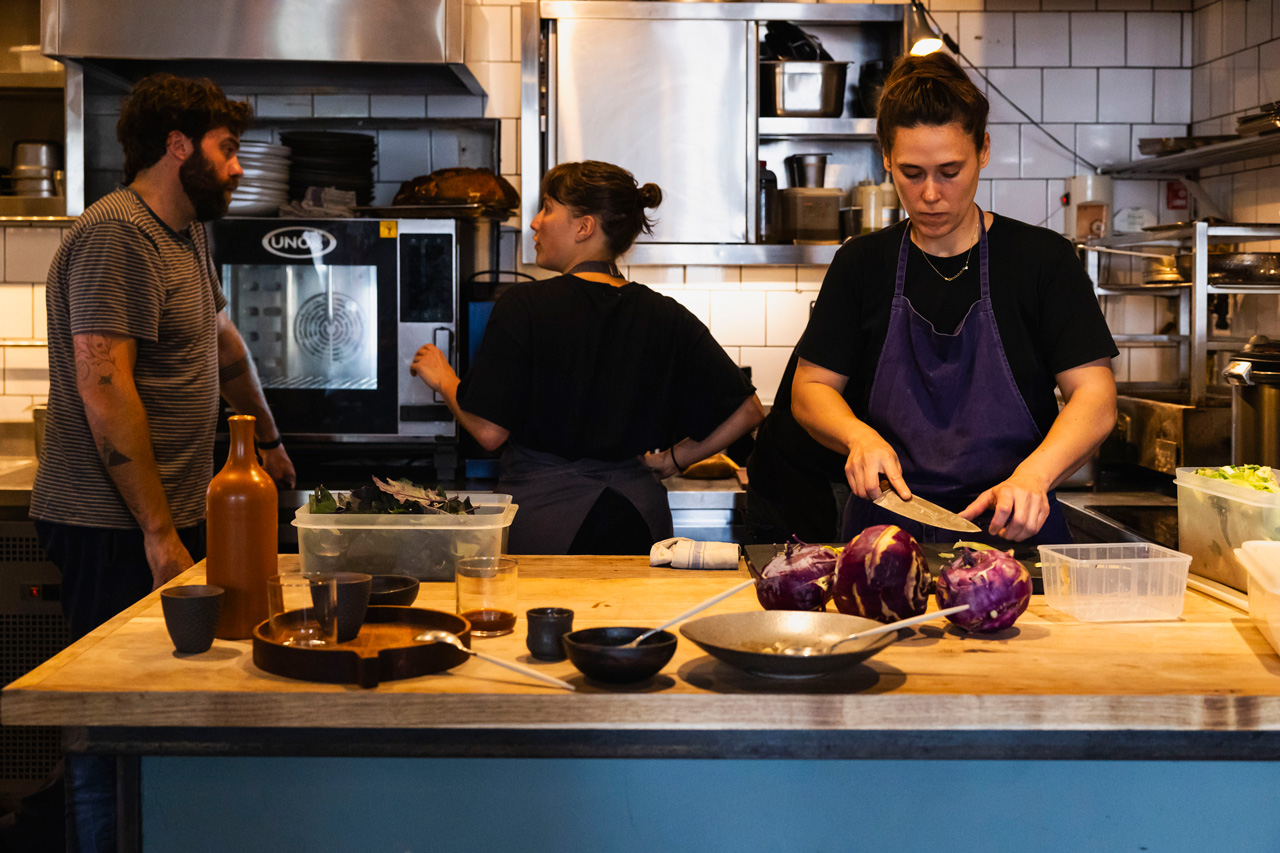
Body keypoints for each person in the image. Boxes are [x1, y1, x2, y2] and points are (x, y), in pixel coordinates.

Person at [20, 72, 296, 853]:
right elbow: (103, 384)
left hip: (164, 513)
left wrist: (268, 443)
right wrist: (155, 531)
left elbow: (222, 342)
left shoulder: (184, 230)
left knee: (161, 709)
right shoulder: (118, 234)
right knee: (110, 717)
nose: (239, 167)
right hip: (109, 523)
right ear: (178, 147)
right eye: (228, 149)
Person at [792, 52, 1117, 549]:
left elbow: (1095, 396)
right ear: (886, 158)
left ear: (983, 150)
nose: (929, 194)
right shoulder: (861, 265)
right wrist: (857, 436)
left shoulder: (1041, 260)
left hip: (1014, 529)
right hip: (884, 537)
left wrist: (1034, 476)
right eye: (911, 172)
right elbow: (810, 388)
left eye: (949, 171)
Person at [412, 160, 764, 555]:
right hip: (639, 519)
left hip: (545, 523)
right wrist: (673, 461)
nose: (534, 223)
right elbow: (748, 410)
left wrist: (443, 377)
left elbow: (490, 432)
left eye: (547, 208)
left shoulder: (524, 305)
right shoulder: (664, 313)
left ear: (584, 227)